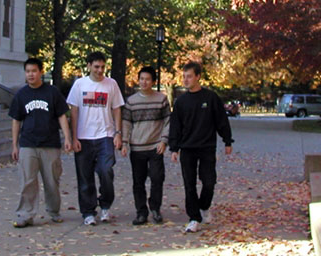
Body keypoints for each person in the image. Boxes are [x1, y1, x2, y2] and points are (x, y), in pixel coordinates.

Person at [169, 61, 234, 233]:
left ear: (198, 76)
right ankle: (194, 218)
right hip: (187, 148)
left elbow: (221, 120)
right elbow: (175, 126)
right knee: (189, 184)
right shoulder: (181, 102)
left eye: (189, 76)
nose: (186, 80)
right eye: (184, 76)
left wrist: (227, 141)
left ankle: (204, 206)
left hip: (206, 147)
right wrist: (174, 148)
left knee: (209, 182)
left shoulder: (210, 98)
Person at [9, 58, 72, 228]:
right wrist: (15, 145)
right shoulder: (21, 95)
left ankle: (54, 211)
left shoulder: (52, 92)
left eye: (34, 71)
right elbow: (16, 120)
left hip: (50, 144)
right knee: (27, 181)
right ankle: (25, 214)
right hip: (28, 144)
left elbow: (61, 116)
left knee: (52, 181)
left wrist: (67, 138)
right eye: (28, 71)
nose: (31, 74)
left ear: (41, 72)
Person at [66, 51, 125, 226]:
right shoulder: (79, 85)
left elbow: (117, 109)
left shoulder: (111, 84)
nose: (100, 70)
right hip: (84, 137)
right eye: (96, 67)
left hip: (105, 136)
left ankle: (105, 205)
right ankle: (88, 212)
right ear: (89, 66)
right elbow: (74, 112)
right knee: (85, 177)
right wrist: (74, 136)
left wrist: (118, 133)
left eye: (102, 67)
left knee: (106, 170)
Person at [121, 66, 170, 225]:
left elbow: (168, 121)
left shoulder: (161, 99)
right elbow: (126, 123)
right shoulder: (132, 101)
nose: (144, 82)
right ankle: (141, 212)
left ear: (153, 81)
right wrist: (124, 142)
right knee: (138, 181)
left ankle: (155, 208)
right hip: (137, 147)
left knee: (157, 178)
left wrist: (164, 140)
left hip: (156, 146)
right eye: (141, 79)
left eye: (147, 79)